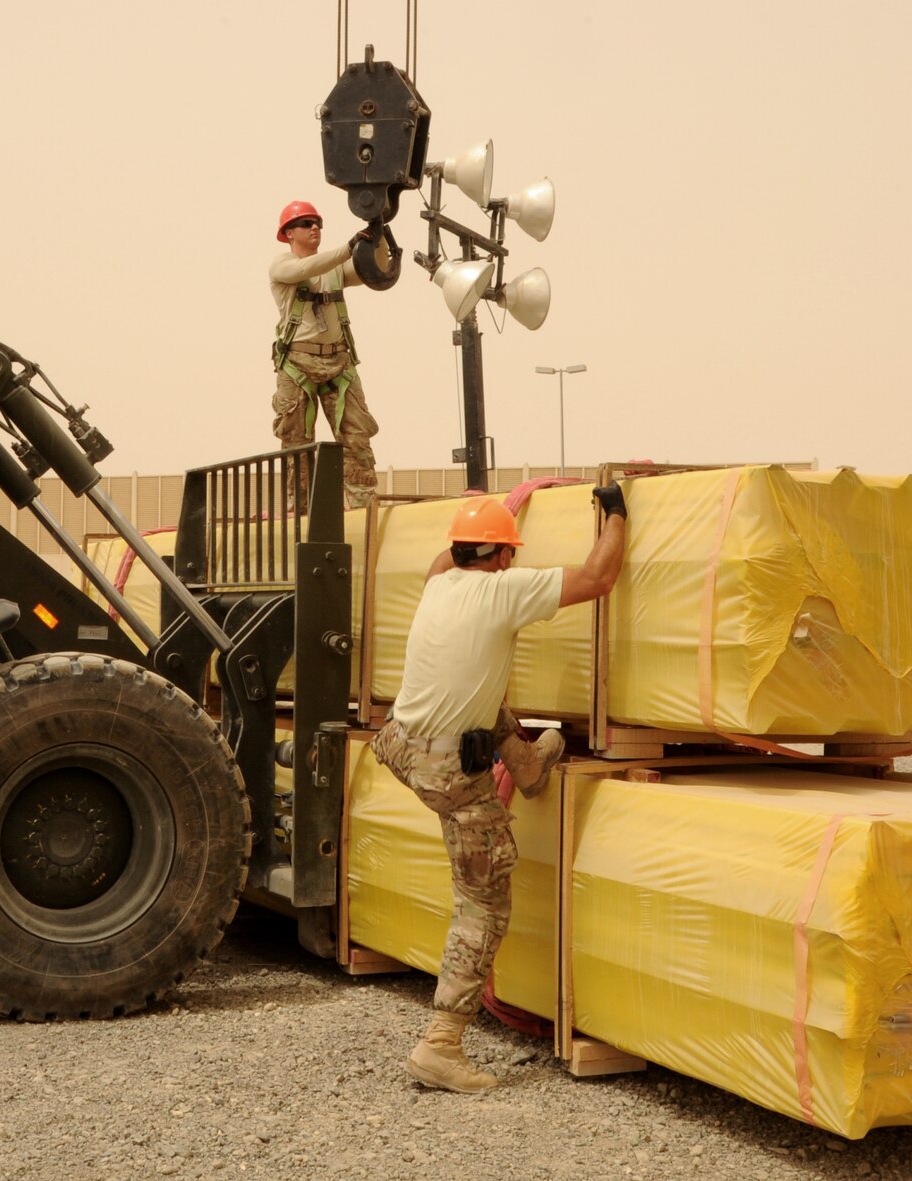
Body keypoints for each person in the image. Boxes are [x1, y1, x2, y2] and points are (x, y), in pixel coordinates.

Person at [370, 487, 630, 1093]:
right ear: (503, 558)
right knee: (484, 904)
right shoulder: (501, 591)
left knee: (483, 696)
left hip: (403, 743)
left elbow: (452, 556)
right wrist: (617, 513)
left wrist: (489, 512)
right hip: (448, 773)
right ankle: (440, 1045)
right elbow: (597, 576)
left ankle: (527, 764)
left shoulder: (439, 582)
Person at [269, 199, 387, 509]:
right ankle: (301, 515)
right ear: (288, 233)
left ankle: (362, 508)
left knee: (356, 437)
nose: (314, 228)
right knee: (297, 445)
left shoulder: (335, 269)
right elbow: (307, 267)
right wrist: (349, 248)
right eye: (306, 224)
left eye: (318, 223)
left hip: (339, 365)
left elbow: (375, 268)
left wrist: (379, 231)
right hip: (298, 365)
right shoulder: (282, 266)